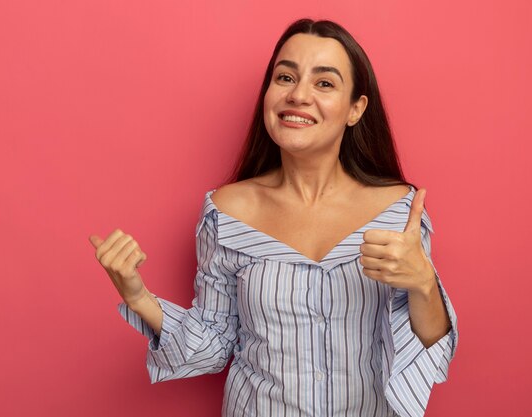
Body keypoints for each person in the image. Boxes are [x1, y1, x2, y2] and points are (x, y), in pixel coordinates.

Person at [89, 18, 458, 417]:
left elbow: (429, 350)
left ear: (356, 109)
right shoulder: (228, 212)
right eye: (285, 77)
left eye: (324, 83)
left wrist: (423, 283)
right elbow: (213, 344)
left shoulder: (398, 211)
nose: (298, 95)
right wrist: (137, 296)